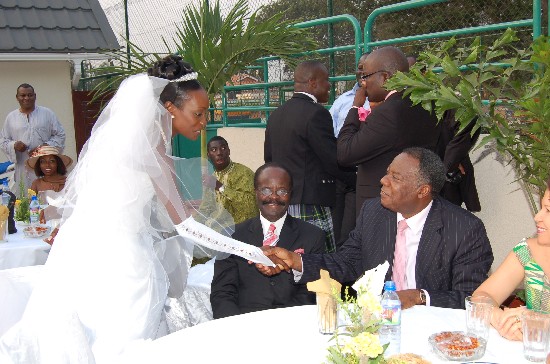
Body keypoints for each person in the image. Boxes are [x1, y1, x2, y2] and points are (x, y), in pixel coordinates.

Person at [0, 55, 216, 363]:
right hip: (124, 258)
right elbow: (183, 222)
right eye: (198, 113)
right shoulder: (152, 151)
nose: (203, 121)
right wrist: (247, 249)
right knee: (125, 338)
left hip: (84, 247)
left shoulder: (121, 143)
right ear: (170, 108)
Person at [260, 148, 494, 310]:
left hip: (434, 329)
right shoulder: (374, 212)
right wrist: (296, 261)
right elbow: (347, 262)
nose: (383, 180)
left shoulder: (465, 229)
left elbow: (470, 297)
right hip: (377, 323)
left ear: (422, 191)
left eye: (395, 177)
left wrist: (419, 296)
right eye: (387, 172)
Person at [210, 163, 325, 318]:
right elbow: (223, 292)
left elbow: (312, 290)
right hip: (244, 325)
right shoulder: (232, 235)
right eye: (266, 190)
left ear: (291, 194)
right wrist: (236, 329)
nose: (274, 197)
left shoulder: (313, 236)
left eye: (282, 191)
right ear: (255, 192)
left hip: (293, 324)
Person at [264, 60, 356, 253]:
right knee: (318, 262)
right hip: (310, 201)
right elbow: (332, 160)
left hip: (284, 201)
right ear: (313, 82)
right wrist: (357, 180)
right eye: (326, 80)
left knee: (290, 255)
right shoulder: (316, 114)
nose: (329, 85)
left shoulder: (276, 115)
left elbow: (269, 159)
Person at [337, 46, 441, 213]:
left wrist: (355, 108)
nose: (363, 83)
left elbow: (345, 153)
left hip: (382, 209)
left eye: (367, 76)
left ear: (384, 77)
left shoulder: (387, 113)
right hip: (416, 205)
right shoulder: (426, 105)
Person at [472, 177, 550, 341]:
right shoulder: (527, 252)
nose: (537, 217)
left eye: (548, 210)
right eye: (542, 207)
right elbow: (482, 295)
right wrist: (500, 318)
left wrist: (540, 323)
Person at [329, 52, 369, 246]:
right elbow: (330, 133)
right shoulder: (342, 100)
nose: (362, 71)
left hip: (363, 174)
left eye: (367, 67)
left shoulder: (382, 101)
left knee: (352, 232)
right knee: (335, 231)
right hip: (340, 174)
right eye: (360, 67)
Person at [0, 83, 66, 189]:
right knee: (25, 198)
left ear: (35, 96)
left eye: (30, 95)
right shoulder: (11, 117)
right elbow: (3, 140)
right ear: (17, 97)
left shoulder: (47, 114)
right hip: (22, 166)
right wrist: (14, 145)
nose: (26, 98)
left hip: (44, 166)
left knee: (45, 198)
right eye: (23, 95)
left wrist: (44, 147)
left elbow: (60, 135)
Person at [197, 136, 257, 229]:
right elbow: (206, 208)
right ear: (208, 155)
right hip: (217, 226)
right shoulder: (212, 178)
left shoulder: (243, 173)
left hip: (241, 227)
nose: (219, 153)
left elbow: (251, 206)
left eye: (223, 148)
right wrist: (192, 225)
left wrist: (220, 186)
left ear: (229, 151)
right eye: (214, 150)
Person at [436, 109, 481, 212]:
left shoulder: (448, 105)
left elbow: (468, 124)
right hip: (439, 177)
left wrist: (451, 162)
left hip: (446, 181)